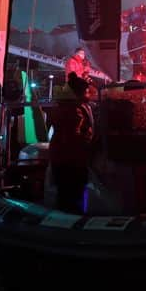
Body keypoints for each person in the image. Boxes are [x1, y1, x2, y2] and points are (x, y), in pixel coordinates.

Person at [48, 73, 95, 213]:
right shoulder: (74, 110)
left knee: (65, 193)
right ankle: (70, 222)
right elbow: (74, 136)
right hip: (70, 159)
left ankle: (64, 218)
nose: (89, 94)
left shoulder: (66, 106)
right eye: (86, 91)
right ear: (79, 92)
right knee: (72, 193)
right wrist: (90, 145)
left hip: (62, 157)